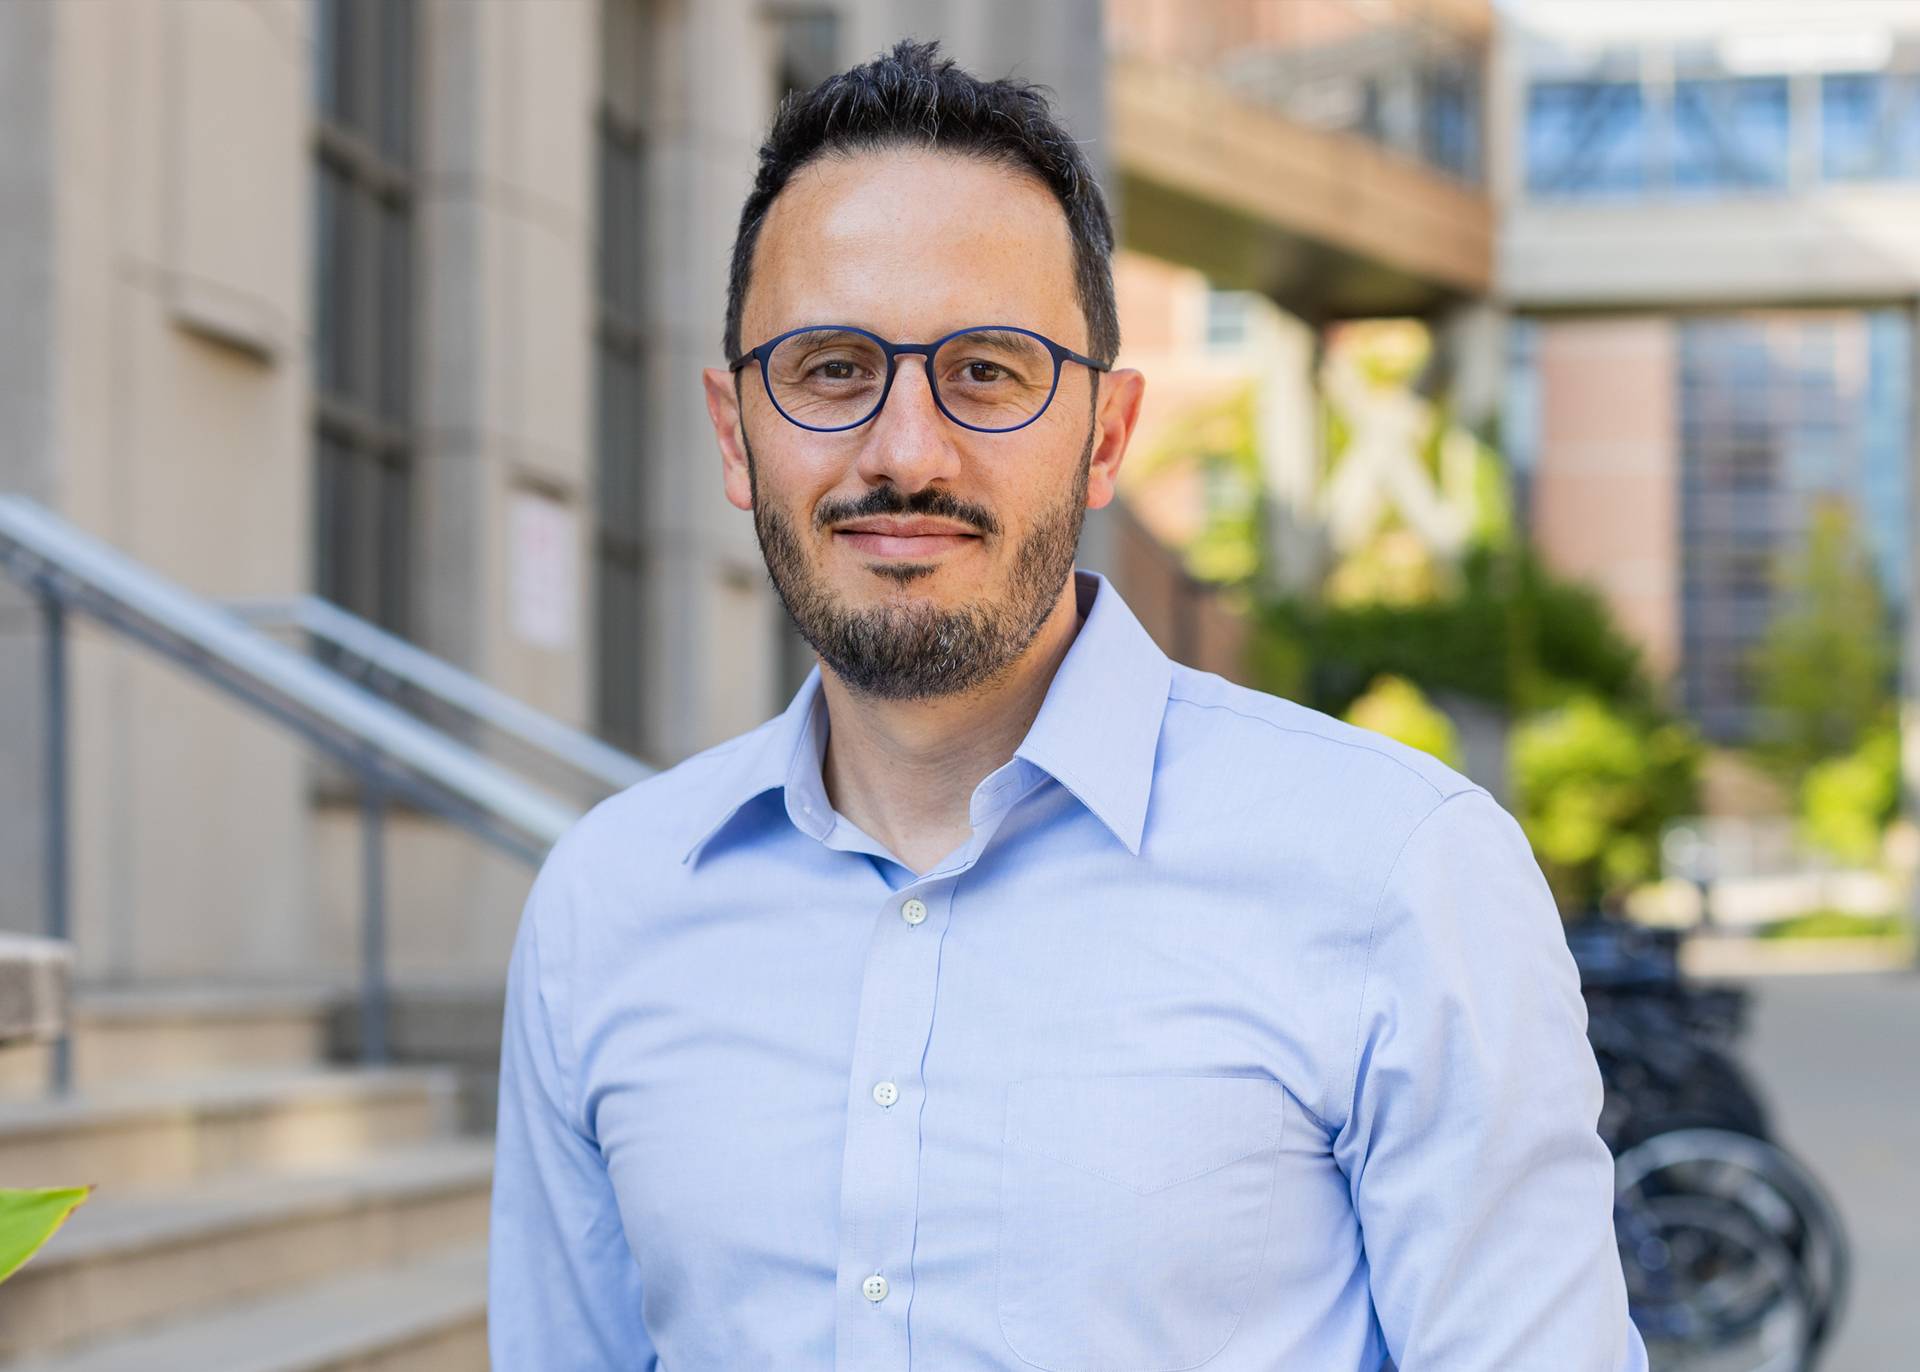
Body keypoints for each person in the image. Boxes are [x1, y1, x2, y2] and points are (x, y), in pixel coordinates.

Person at [488, 38, 1649, 1372]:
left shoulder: (1398, 874)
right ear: (734, 428)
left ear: (1105, 434)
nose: (904, 451)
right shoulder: (605, 906)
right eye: (827, 369)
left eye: (986, 371)